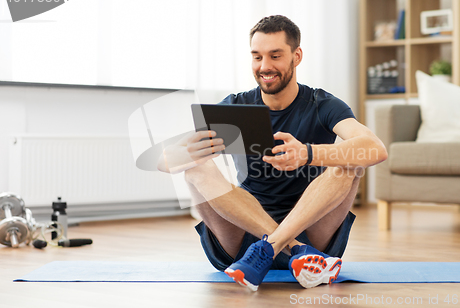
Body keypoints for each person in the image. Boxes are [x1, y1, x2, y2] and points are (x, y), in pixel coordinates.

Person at [158, 15, 387, 291]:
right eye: (257, 57)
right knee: (195, 165)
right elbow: (164, 160)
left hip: (313, 228)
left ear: (296, 56)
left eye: (275, 56)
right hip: (245, 237)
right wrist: (188, 152)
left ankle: (272, 247)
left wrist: (308, 153)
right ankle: (292, 248)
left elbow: (375, 148)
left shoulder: (322, 104)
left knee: (351, 163)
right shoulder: (235, 106)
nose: (265, 67)